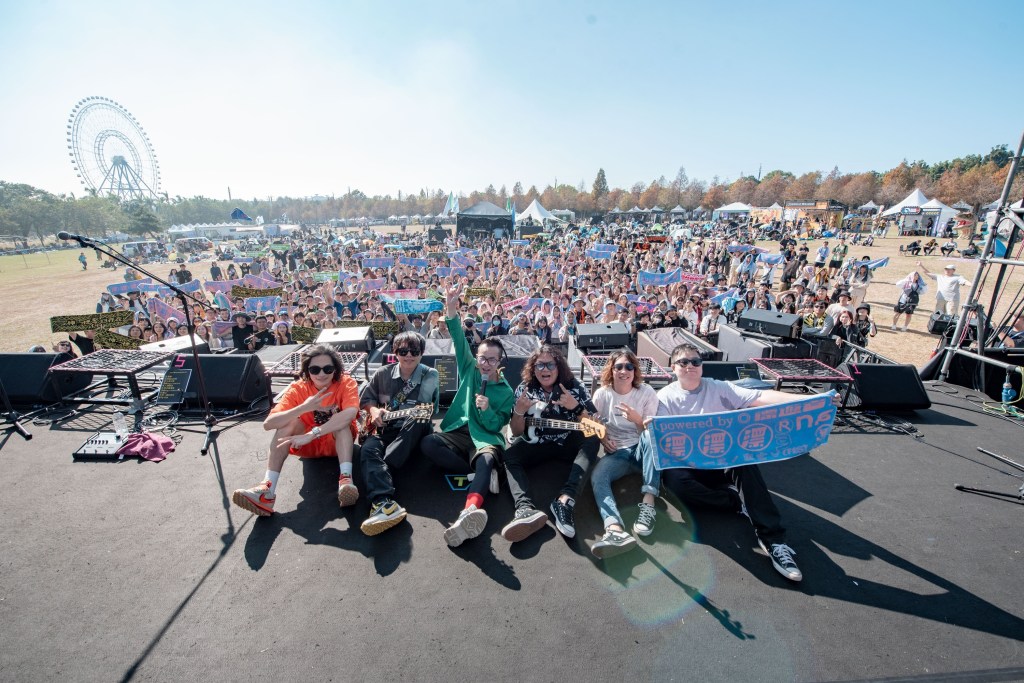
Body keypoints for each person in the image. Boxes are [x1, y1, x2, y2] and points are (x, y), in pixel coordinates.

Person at [642, 343, 811, 582]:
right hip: (688, 466)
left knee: (747, 463)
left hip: (723, 461)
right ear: (673, 367)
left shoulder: (719, 388)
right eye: (684, 362)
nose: (690, 366)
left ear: (702, 366)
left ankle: (773, 540)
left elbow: (760, 396)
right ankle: (732, 501)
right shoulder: (664, 397)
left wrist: (806, 402)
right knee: (675, 485)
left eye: (695, 362)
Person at [420, 283, 514, 547]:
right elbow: (459, 340)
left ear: (500, 362)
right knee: (428, 443)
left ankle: (468, 512)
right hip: (460, 431)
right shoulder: (470, 368)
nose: (484, 363)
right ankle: (475, 473)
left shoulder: (506, 391)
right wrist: (450, 309)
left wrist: (486, 410)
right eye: (482, 358)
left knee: (485, 460)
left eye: (491, 360)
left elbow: (500, 425)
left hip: (485, 436)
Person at [232, 345, 359, 516]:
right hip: (306, 446)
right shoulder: (297, 388)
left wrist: (311, 434)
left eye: (328, 369)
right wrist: (303, 408)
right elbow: (268, 424)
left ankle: (345, 479)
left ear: (335, 369)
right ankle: (267, 489)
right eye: (315, 369)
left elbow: (350, 413)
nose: (321, 374)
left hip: (335, 443)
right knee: (288, 423)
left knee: (341, 421)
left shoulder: (345, 382)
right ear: (307, 370)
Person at [500, 344, 600, 543]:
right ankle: (525, 509)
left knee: (592, 439)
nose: (544, 370)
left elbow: (594, 425)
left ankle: (564, 500)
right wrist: (519, 411)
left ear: (559, 366)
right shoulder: (525, 389)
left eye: (549, 365)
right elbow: (517, 431)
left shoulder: (574, 386)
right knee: (509, 456)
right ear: (533, 368)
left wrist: (576, 407)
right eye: (539, 365)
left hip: (567, 441)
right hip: (538, 442)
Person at [358, 331, 440, 536]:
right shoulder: (382, 373)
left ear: (422, 353)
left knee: (419, 417)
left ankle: (384, 468)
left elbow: (426, 408)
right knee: (368, 449)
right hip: (386, 429)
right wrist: (375, 410)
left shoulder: (429, 374)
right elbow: (366, 400)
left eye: (414, 351)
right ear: (395, 352)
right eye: (403, 351)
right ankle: (383, 503)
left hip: (414, 428)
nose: (409, 355)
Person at [588, 349, 660, 558]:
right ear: (611, 369)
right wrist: (603, 439)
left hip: (642, 449)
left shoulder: (646, 392)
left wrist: (637, 420)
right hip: (618, 453)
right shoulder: (602, 394)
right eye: (618, 366)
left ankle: (648, 503)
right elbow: (594, 424)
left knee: (649, 436)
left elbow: (653, 433)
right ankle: (614, 529)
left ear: (635, 371)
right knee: (598, 475)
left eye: (629, 366)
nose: (624, 371)